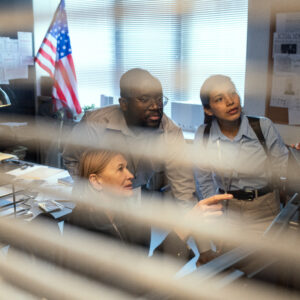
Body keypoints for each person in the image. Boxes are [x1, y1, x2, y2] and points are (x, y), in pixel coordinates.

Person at [62, 68, 233, 260]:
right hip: (93, 202)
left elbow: (184, 193)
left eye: (159, 99)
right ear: (124, 104)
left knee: (138, 262)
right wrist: (95, 188)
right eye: (144, 100)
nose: (155, 106)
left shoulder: (169, 133)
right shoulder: (96, 124)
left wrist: (205, 251)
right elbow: (70, 157)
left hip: (134, 199)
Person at [68, 149, 232, 260]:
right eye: (120, 169)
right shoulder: (83, 226)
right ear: (96, 181)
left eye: (127, 168)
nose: (131, 175)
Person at [194, 74, 289, 239]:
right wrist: (215, 215)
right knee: (227, 261)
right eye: (219, 99)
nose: (230, 101)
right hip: (227, 210)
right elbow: (204, 181)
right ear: (208, 109)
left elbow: (284, 167)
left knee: (265, 262)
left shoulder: (262, 126)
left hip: (264, 208)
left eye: (232, 93)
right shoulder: (204, 135)